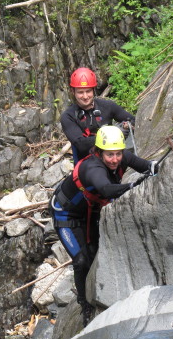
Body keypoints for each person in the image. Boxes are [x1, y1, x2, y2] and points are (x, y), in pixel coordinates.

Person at [49, 125, 157, 326]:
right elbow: (106, 189)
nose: (115, 159)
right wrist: (132, 185)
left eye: (118, 154)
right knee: (82, 261)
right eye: (109, 155)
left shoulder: (121, 157)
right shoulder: (93, 168)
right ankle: (84, 304)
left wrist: (155, 167)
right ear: (99, 152)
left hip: (90, 211)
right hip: (66, 215)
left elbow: (145, 166)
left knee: (97, 252)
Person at [60, 67, 135, 163]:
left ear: (93, 90)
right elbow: (81, 145)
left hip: (113, 159)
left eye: (88, 91)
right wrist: (114, 133)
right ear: (73, 92)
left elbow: (133, 120)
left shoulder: (107, 106)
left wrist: (127, 126)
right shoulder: (69, 116)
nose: (85, 96)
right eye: (80, 92)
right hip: (87, 164)